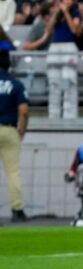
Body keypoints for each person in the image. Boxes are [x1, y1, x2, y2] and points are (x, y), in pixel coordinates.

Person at [0, 48, 29, 223]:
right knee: (13, 172)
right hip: (9, 129)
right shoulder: (16, 84)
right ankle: (17, 210)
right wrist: (22, 131)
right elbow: (24, 111)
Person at [46, 0, 81, 119]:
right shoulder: (57, 13)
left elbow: (74, 30)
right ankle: (53, 114)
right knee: (54, 80)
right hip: (55, 46)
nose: (67, 1)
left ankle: (70, 114)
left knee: (69, 79)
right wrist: (56, 13)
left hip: (69, 46)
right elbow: (48, 29)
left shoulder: (75, 13)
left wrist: (66, 12)